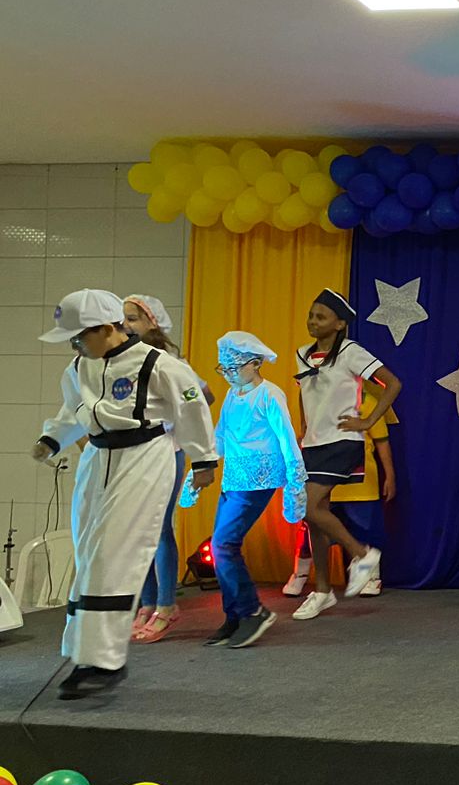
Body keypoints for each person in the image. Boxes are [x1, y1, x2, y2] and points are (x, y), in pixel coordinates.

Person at [31, 290, 217, 698]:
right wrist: (52, 439)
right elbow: (72, 410)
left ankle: (105, 661)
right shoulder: (80, 365)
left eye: (79, 336)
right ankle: (83, 653)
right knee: (87, 553)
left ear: (105, 328)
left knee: (112, 554)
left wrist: (204, 459)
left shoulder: (157, 364)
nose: (74, 345)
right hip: (98, 459)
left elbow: (192, 407)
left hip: (143, 457)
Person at [290, 290, 401, 619]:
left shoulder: (351, 351)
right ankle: (322, 591)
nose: (313, 321)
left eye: (321, 316)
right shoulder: (302, 354)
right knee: (314, 517)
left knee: (308, 506)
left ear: (339, 324)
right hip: (314, 444)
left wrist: (367, 421)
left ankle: (362, 554)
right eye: (311, 315)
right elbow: (306, 394)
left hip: (341, 440)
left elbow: (393, 384)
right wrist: (304, 429)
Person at [195, 332, 306, 649]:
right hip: (234, 478)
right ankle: (234, 616)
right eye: (223, 369)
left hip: (260, 478)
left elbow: (286, 437)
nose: (228, 375)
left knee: (224, 544)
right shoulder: (232, 396)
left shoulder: (270, 394)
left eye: (234, 368)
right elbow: (221, 436)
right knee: (221, 548)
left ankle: (252, 611)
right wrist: (201, 466)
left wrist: (295, 482)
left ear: (255, 363)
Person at [121, 294, 209, 645]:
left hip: (165, 452)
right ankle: (147, 603)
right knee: (136, 531)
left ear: (152, 323)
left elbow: (203, 396)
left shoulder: (169, 361)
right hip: (133, 455)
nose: (125, 325)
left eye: (133, 318)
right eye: (123, 319)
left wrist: (174, 421)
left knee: (158, 529)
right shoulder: (123, 360)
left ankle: (166, 605)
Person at [285, 387, 397, 597]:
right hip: (324, 481)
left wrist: (390, 475)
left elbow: (382, 441)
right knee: (311, 526)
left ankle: (372, 576)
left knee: (365, 530)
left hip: (360, 484)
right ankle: (302, 574)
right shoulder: (315, 402)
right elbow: (305, 436)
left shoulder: (366, 401)